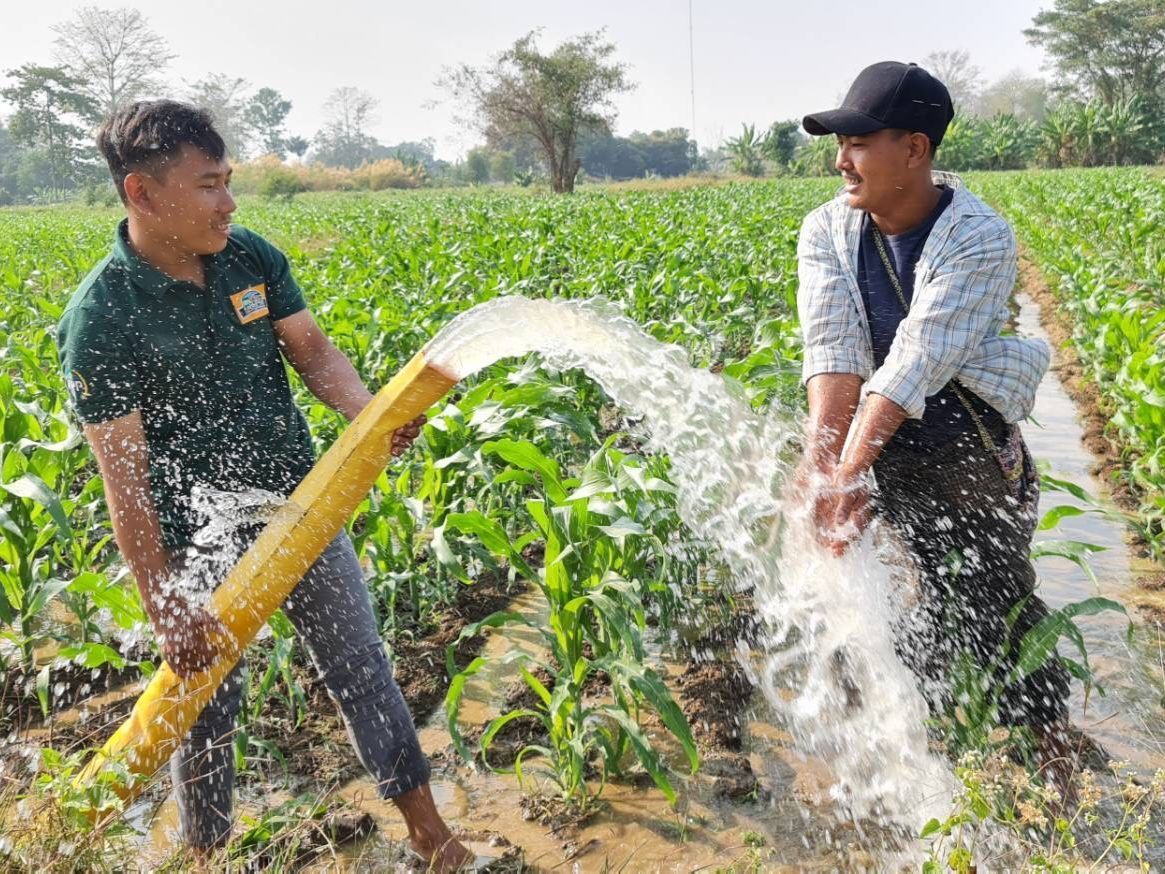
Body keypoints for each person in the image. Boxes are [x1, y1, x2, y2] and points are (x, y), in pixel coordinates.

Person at [57, 100, 472, 869]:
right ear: (143, 194)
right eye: (209, 184)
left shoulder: (248, 257)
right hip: (195, 539)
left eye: (228, 181)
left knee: (361, 665)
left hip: (297, 506)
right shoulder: (103, 316)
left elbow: (312, 354)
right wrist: (166, 604)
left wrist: (366, 413)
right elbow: (127, 483)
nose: (229, 202)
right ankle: (206, 855)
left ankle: (432, 838)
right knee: (205, 702)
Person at [793, 62, 1072, 787]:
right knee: (880, 600)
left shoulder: (978, 236)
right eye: (840, 142)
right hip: (877, 442)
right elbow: (834, 354)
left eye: (856, 140)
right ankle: (925, 756)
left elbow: (916, 359)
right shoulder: (827, 228)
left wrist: (848, 469)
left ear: (913, 150)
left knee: (992, 597)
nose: (840, 159)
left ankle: (1050, 750)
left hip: (962, 452)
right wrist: (825, 466)